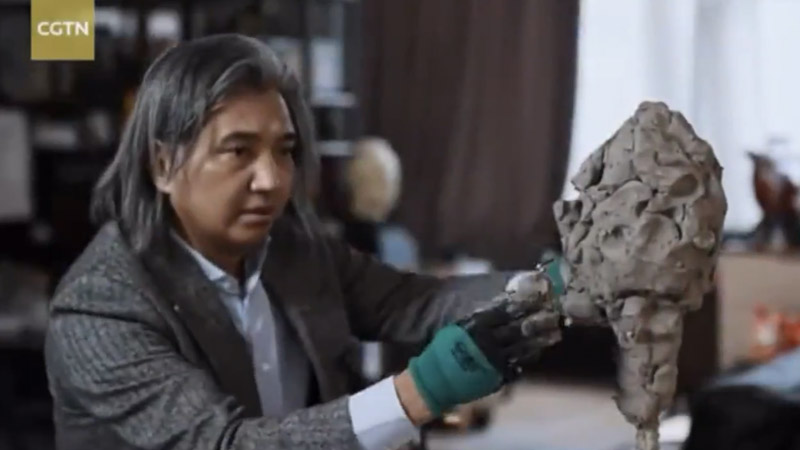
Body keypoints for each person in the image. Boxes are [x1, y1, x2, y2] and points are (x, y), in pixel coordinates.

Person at [44, 34, 564, 450]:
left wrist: (559, 286)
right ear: (163, 165)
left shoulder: (295, 252)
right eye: (239, 151)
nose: (271, 180)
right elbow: (225, 443)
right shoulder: (102, 307)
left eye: (284, 150)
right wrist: (421, 390)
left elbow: (414, 301)